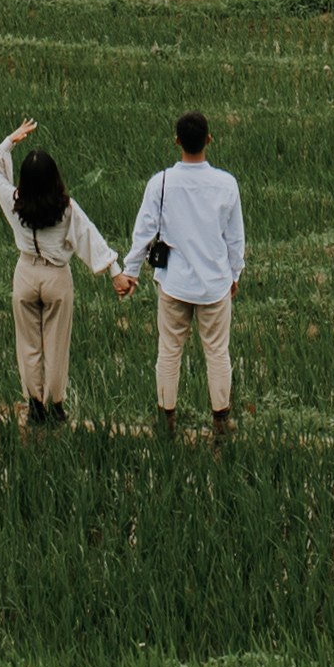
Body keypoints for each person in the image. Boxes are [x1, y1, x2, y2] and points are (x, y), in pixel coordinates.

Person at [115, 108, 249, 438]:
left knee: (169, 350)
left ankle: (167, 419)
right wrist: (235, 274)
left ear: (177, 141)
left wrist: (130, 272)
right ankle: (220, 420)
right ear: (208, 140)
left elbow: (143, 232)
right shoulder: (226, 184)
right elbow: (235, 237)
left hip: (174, 284)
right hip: (215, 284)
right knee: (217, 352)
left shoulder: (160, 183)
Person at [0, 117, 108, 429]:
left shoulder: (14, 201)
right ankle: (57, 405)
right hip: (55, 277)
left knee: (28, 344)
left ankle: (34, 405)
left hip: (25, 273)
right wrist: (114, 270)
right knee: (56, 343)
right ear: (54, 179)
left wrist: (11, 140)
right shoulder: (65, 208)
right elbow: (88, 236)